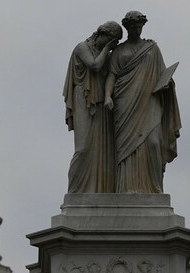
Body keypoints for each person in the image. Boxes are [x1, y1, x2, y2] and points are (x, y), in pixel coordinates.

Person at [104, 10, 181, 193]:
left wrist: (167, 84)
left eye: (139, 27)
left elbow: (162, 73)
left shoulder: (152, 49)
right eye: (133, 27)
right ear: (127, 28)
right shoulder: (119, 51)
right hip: (125, 102)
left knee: (153, 142)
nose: (137, 30)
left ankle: (154, 189)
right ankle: (127, 188)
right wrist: (107, 96)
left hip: (150, 100)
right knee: (126, 148)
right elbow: (111, 76)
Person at [64, 21, 123, 194]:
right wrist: (107, 49)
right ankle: (75, 191)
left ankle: (100, 190)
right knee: (83, 148)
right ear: (102, 34)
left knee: (101, 150)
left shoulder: (107, 56)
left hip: (101, 104)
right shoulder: (82, 47)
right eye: (112, 41)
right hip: (83, 98)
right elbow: (95, 65)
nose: (113, 45)